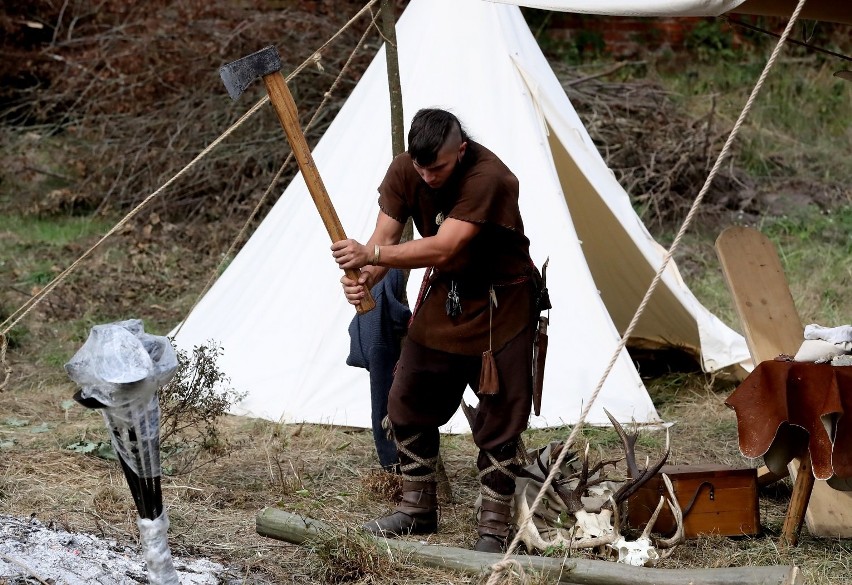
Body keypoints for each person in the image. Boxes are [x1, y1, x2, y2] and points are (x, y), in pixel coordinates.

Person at [331, 108, 542, 553]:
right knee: (407, 398)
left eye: (438, 168)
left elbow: (446, 247)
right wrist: (364, 275)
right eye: (421, 166)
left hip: (500, 304)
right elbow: (384, 235)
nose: (427, 176)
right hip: (446, 297)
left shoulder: (490, 177)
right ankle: (417, 510)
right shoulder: (407, 169)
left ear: (460, 150)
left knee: (501, 417)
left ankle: (493, 528)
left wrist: (371, 257)